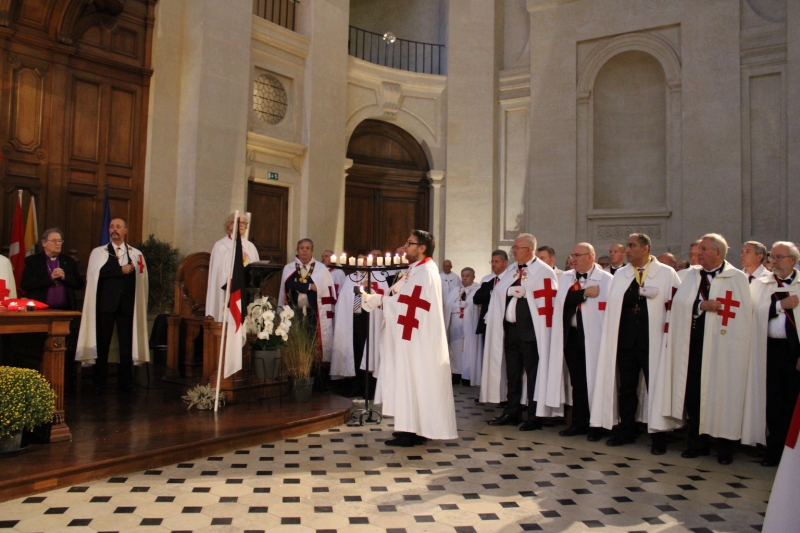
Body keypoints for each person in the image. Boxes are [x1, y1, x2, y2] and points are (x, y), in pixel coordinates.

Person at [660, 233, 752, 465]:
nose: (698, 253)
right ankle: (697, 443)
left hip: (724, 348)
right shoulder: (691, 276)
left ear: (718, 253)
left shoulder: (736, 278)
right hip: (694, 344)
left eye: (704, 249)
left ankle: (724, 447)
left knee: (723, 395)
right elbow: (680, 304)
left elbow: (742, 317)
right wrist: (701, 305)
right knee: (694, 395)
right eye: (699, 249)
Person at [362, 230, 457, 446]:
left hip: (418, 338)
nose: (405, 247)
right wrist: (380, 298)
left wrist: (380, 301)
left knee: (415, 379)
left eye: (410, 243)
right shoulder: (415, 270)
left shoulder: (426, 273)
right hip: (411, 335)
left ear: (422, 248)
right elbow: (399, 294)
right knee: (410, 380)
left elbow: (409, 303)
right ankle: (410, 427)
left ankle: (414, 430)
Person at [590, 233, 680, 454]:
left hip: (654, 340)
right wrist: (638, 292)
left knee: (656, 387)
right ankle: (626, 430)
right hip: (626, 341)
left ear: (646, 248)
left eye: (632, 246)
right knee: (626, 389)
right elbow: (615, 302)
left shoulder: (666, 273)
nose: (627, 250)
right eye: (627, 246)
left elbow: (676, 305)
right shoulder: (621, 274)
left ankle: (659, 436)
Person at [485, 233, 559, 431]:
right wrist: (509, 291)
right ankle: (512, 412)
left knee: (534, 374)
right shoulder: (512, 270)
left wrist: (527, 292)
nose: (513, 250)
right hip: (511, 330)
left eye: (517, 247)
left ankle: (534, 416)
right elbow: (500, 291)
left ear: (529, 250)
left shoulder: (544, 271)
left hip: (531, 332)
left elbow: (547, 301)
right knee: (513, 374)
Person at [545, 243, 612, 441]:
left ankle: (597, 424)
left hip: (596, 338)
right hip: (572, 336)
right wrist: (583, 294)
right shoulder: (565, 278)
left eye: (577, 255)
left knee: (596, 380)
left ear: (591, 256)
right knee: (578, 382)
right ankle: (579, 422)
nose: (573, 259)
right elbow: (561, 301)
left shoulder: (607, 280)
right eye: (572, 255)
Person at [76, 218, 149, 395]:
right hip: (105, 306)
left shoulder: (135, 254)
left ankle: (126, 383)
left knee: (126, 345)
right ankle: (98, 383)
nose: (114, 229)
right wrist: (119, 270)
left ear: (125, 231)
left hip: (126, 306)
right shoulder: (99, 252)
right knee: (102, 344)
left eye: (118, 227)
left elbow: (142, 280)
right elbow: (95, 274)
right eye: (112, 226)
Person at [744, 241, 800, 466]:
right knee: (773, 403)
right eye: (772, 257)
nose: (773, 261)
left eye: (779, 257)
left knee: (793, 402)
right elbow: (751, 313)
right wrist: (779, 306)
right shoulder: (761, 284)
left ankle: (793, 454)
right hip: (768, 350)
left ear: (792, 260)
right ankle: (774, 451)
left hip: (794, 352)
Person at [331, 251, 386, 397]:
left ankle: (369, 387)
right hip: (354, 319)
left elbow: (382, 297)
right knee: (355, 351)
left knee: (369, 352)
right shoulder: (350, 278)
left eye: (364, 260)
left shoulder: (378, 277)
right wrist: (358, 290)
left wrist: (370, 289)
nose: (362, 263)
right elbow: (343, 297)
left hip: (371, 319)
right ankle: (355, 385)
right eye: (359, 261)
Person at [278, 238, 336, 363]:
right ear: (297, 250)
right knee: (297, 342)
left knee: (313, 341)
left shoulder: (321, 268)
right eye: (301, 248)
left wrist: (299, 284)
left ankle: (314, 370)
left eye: (307, 248)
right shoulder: (289, 268)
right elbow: (289, 284)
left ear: (312, 251)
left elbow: (324, 288)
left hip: (314, 312)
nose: (304, 251)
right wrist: (309, 286)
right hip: (295, 312)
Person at [206, 213, 259, 322]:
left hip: (246, 289)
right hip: (228, 291)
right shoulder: (220, 246)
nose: (242, 225)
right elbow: (219, 272)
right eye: (238, 222)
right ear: (230, 225)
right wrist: (236, 259)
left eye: (244, 223)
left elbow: (256, 269)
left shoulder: (250, 246)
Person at [476, 250, 510, 403]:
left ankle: (506, 395)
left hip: (506, 326)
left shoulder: (510, 280)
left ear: (505, 263)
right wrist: (493, 292)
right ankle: (491, 393)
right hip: (488, 325)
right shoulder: (489, 282)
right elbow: (477, 298)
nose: (494, 264)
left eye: (497, 261)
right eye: (492, 261)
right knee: (489, 360)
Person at [21, 228, 84, 309]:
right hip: (40, 309)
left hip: (66, 310)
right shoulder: (33, 261)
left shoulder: (68, 261)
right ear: (44, 243)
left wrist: (65, 277)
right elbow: (25, 285)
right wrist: (50, 278)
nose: (58, 244)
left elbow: (79, 285)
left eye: (60, 241)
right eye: (54, 241)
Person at [444, 267, 480, 386]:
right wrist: (457, 306)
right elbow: (448, 306)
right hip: (455, 325)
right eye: (463, 275)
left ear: (473, 277)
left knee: (469, 349)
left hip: (470, 326)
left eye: (467, 276)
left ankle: (468, 376)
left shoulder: (477, 289)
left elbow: (478, 307)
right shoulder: (455, 290)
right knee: (455, 350)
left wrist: (468, 306)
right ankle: (456, 373)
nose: (464, 278)